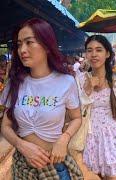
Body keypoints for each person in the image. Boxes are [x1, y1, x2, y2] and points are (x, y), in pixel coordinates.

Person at [0, 18, 83, 179]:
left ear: (46, 45)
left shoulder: (66, 82)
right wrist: (21, 145)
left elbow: (76, 118)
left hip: (55, 166)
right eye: (19, 44)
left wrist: (64, 139)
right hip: (23, 167)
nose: (22, 49)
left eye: (29, 42)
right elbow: (5, 126)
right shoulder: (15, 83)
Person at [79, 35, 116, 179]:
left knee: (114, 177)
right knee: (97, 175)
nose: (93, 54)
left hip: (113, 136)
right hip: (90, 137)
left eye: (99, 50)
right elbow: (76, 113)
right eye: (89, 50)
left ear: (107, 54)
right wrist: (87, 91)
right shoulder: (80, 79)